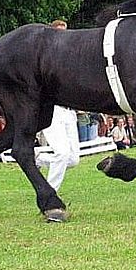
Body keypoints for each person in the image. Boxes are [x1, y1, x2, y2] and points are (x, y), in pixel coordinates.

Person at [35, 20, 80, 192]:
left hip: (70, 112)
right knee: (62, 153)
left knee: (73, 159)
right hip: (53, 111)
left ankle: (39, 158)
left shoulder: (72, 59)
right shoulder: (44, 60)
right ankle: (50, 194)